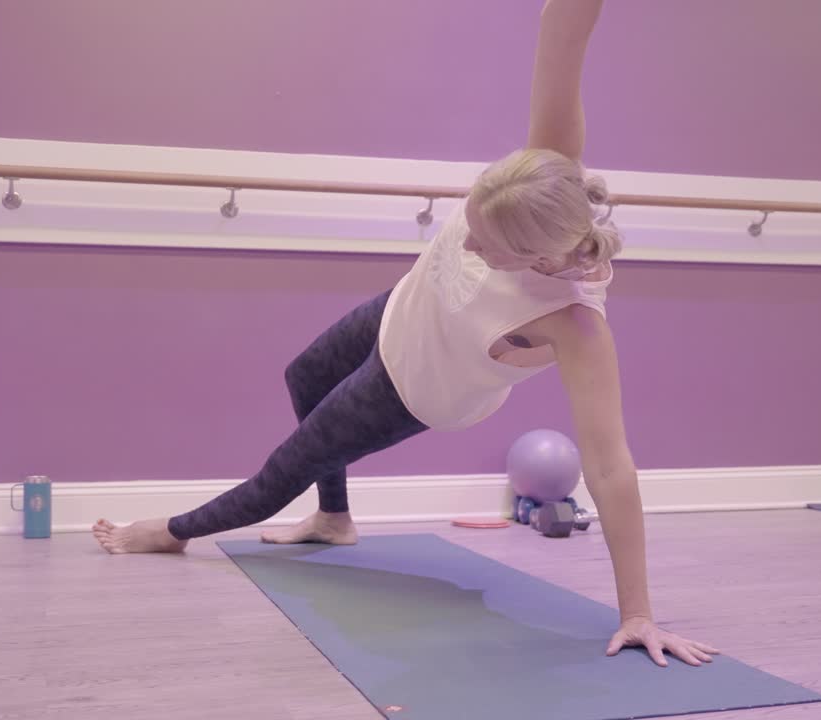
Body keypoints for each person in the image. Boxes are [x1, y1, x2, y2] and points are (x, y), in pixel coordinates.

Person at [93, 0, 720, 668]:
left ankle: (169, 532)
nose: (466, 236)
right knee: (301, 375)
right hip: (404, 311)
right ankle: (334, 521)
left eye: (482, 244)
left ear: (533, 261)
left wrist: (639, 614)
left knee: (287, 465)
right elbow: (563, 31)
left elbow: (610, 468)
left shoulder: (575, 326)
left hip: (417, 385)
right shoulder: (548, 173)